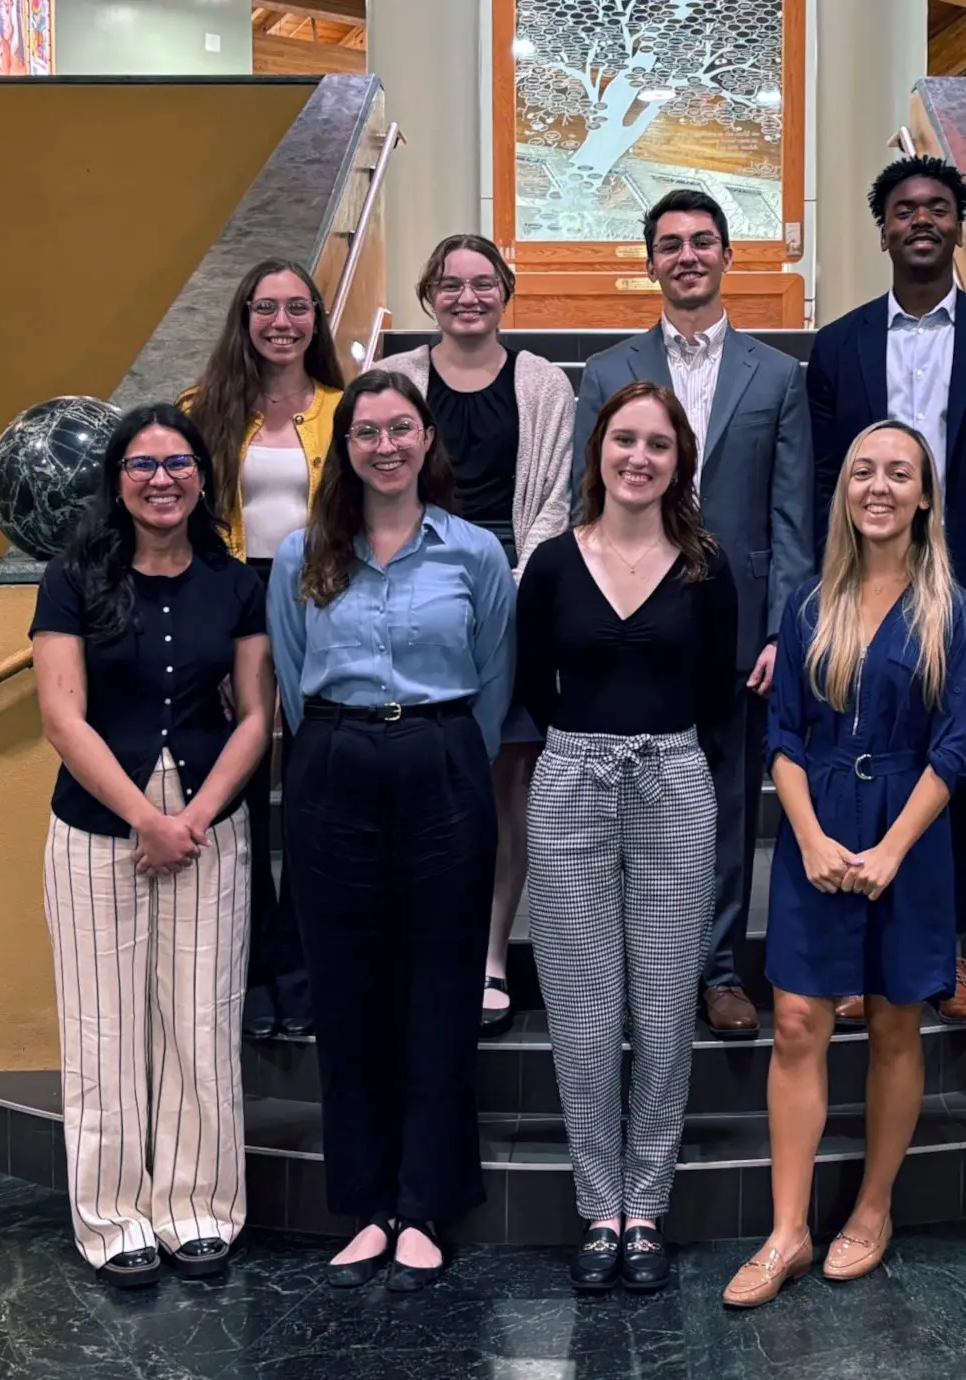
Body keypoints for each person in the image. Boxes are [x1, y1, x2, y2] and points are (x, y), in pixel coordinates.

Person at [724, 420, 966, 1309]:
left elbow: (956, 747)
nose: (879, 486)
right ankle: (788, 1231)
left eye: (899, 473)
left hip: (908, 833)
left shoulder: (955, 610)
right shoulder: (808, 604)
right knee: (797, 1022)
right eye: (863, 471)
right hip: (819, 823)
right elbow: (784, 736)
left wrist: (892, 851)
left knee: (893, 1023)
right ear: (843, 492)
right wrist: (807, 838)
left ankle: (873, 1210)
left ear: (925, 495)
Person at [269, 370, 514, 1292]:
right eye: (366, 431)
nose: (385, 446)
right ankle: (368, 1206)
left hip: (443, 762)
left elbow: (494, 680)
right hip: (334, 767)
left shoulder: (474, 554)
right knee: (348, 993)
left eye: (400, 428)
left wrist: (435, 752)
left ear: (426, 439)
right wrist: (350, 744)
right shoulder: (303, 555)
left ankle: (425, 1206)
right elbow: (293, 675)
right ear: (346, 448)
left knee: (441, 990)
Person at [29, 404, 273, 1290]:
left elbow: (257, 716)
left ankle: (198, 1206)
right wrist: (148, 820)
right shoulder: (71, 580)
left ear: (203, 479)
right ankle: (112, 1216)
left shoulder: (234, 583)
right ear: (117, 481)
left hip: (209, 824)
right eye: (142, 465)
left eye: (177, 464)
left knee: (201, 1023)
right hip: (100, 826)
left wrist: (193, 818)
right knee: (103, 1028)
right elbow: (62, 717)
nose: (161, 480)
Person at [805, 155, 966, 1029]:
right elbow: (823, 477)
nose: (920, 220)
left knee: (953, 764)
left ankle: (946, 953)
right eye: (904, 208)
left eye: (937, 208)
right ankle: (854, 959)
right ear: (883, 231)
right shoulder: (838, 345)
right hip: (861, 582)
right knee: (858, 762)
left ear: (957, 226)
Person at [572, 189, 814, 1042]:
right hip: (629, 616)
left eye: (702, 242)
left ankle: (715, 971)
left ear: (727, 257)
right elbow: (585, 502)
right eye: (670, 243)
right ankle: (631, 972)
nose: (687, 256)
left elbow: (791, 515)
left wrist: (783, 628)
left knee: (725, 801)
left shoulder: (778, 376)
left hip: (738, 626)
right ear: (651, 263)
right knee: (620, 802)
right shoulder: (607, 372)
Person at [519, 381, 737, 1293]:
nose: (638, 458)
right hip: (571, 780)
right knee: (581, 1008)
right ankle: (596, 1207)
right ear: (597, 452)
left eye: (657, 444)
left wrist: (657, 756)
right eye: (624, 440)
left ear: (679, 462)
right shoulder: (552, 564)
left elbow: (719, 694)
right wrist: (589, 749)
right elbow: (531, 684)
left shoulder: (706, 567)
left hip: (673, 783)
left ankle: (645, 1207)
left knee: (661, 1007)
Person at [379, 233, 576, 1036]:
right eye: (451, 284)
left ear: (505, 291)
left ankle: (491, 955)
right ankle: (428, 950)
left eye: (483, 282)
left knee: (505, 788)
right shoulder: (395, 378)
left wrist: (509, 590)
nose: (468, 297)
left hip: (516, 590)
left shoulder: (543, 383)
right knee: (420, 779)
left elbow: (558, 498)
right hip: (416, 588)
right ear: (430, 294)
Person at [181, 257, 345, 1041]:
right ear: (244, 316)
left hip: (322, 601)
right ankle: (249, 973)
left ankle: (306, 975)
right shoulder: (201, 410)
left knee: (313, 796)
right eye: (266, 307)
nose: (283, 322)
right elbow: (181, 523)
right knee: (237, 799)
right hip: (233, 601)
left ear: (316, 318)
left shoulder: (346, 410)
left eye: (297, 307)